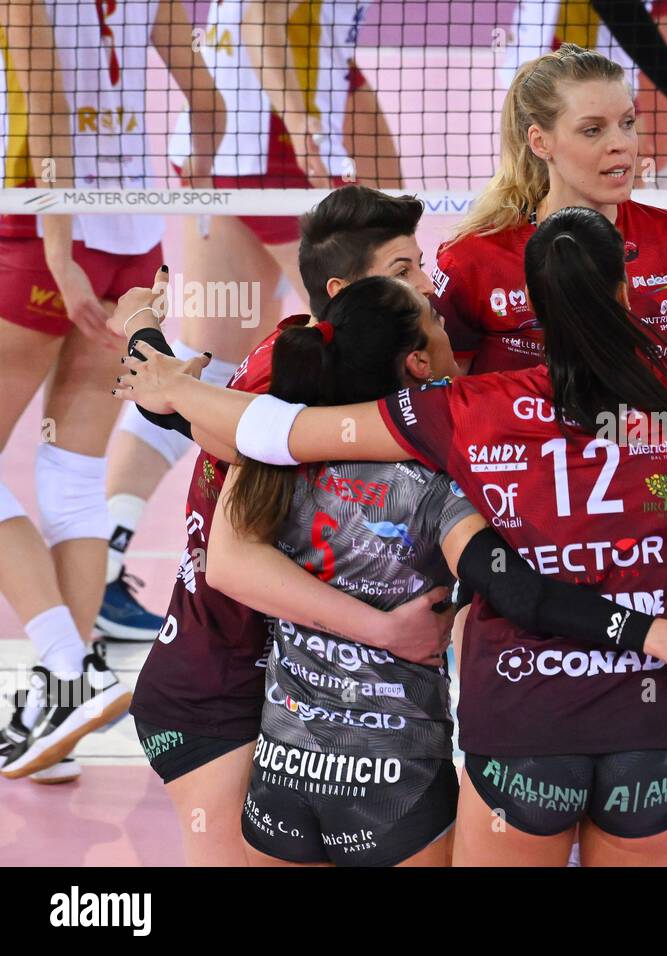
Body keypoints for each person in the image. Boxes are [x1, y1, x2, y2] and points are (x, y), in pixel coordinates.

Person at [113, 206, 667, 866]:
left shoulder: (470, 409)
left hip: (523, 732)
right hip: (653, 732)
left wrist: (163, 375)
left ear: (530, 305)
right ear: (624, 289)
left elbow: (271, 429)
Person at [204, 275, 667, 867]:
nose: (451, 327)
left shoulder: (270, 468)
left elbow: (228, 531)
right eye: (437, 320)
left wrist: (160, 370)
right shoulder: (445, 476)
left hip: (285, 774)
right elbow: (512, 584)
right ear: (417, 362)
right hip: (397, 782)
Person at [123, 186, 451, 865]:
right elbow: (239, 467)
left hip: (283, 687)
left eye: (420, 265)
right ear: (342, 289)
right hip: (213, 683)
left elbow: (212, 422)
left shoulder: (307, 359)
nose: (428, 285)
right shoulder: (292, 375)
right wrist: (165, 378)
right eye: (402, 271)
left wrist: (152, 355)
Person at [99, 0, 400, 640]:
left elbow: (329, 54)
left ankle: (106, 555)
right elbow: (264, 19)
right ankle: (367, 570)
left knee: (204, 358)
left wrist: (367, 149)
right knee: (368, 346)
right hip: (272, 155)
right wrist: (308, 129)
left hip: (234, 149)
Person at [0, 0, 223, 780]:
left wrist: (58, 251)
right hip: (132, 239)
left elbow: (47, 105)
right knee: (67, 470)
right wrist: (202, 155)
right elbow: (203, 94)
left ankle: (73, 667)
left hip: (39, 232)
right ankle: (59, 704)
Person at [434, 43, 667, 375]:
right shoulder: (473, 259)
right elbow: (447, 402)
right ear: (540, 142)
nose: (621, 144)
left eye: (627, 122)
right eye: (592, 130)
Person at [511, 1, 667, 184]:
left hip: (614, 67)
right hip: (564, 54)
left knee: (648, 155)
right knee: (554, 181)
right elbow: (617, 6)